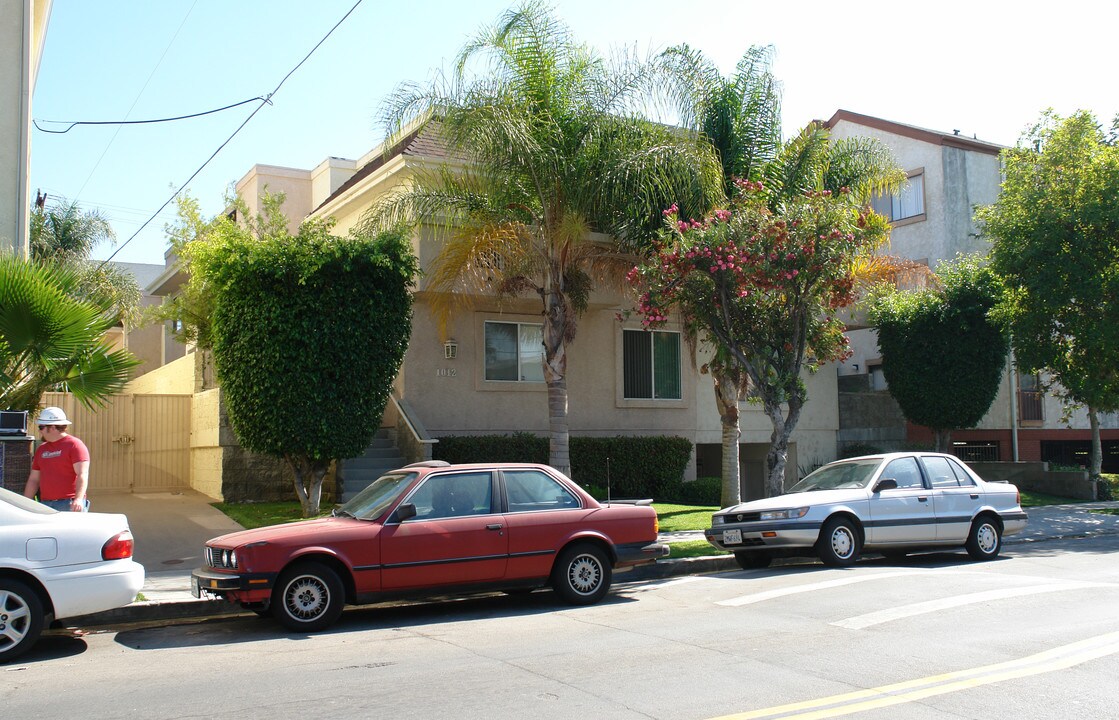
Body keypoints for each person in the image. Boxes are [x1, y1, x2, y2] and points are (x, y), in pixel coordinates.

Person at [23, 407, 90, 512]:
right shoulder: (41, 449)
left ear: (53, 427)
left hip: (69, 504)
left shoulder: (75, 445)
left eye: (41, 427)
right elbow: (34, 479)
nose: (40, 432)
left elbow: (82, 474)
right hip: (45, 504)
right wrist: (25, 502)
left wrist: (78, 499)